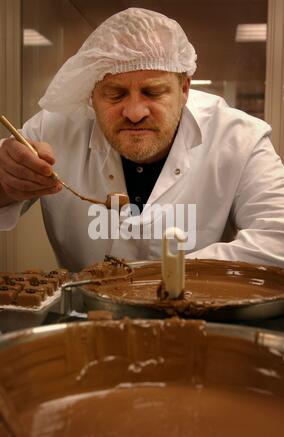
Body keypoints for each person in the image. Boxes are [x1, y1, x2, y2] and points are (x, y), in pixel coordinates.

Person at [0, 8, 284, 272]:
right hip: (85, 320)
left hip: (200, 318)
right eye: (115, 94)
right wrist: (6, 181)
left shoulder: (240, 139)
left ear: (184, 89)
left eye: (153, 92)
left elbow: (278, 241)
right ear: (91, 94)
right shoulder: (53, 129)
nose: (135, 113)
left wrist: (156, 277)